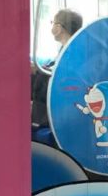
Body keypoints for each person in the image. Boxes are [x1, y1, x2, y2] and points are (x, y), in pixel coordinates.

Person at [31, 9, 83, 139]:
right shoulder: (70, 49)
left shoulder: (70, 52)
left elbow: (61, 77)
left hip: (55, 107)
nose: (52, 26)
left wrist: (38, 72)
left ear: (59, 28)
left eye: (53, 22)